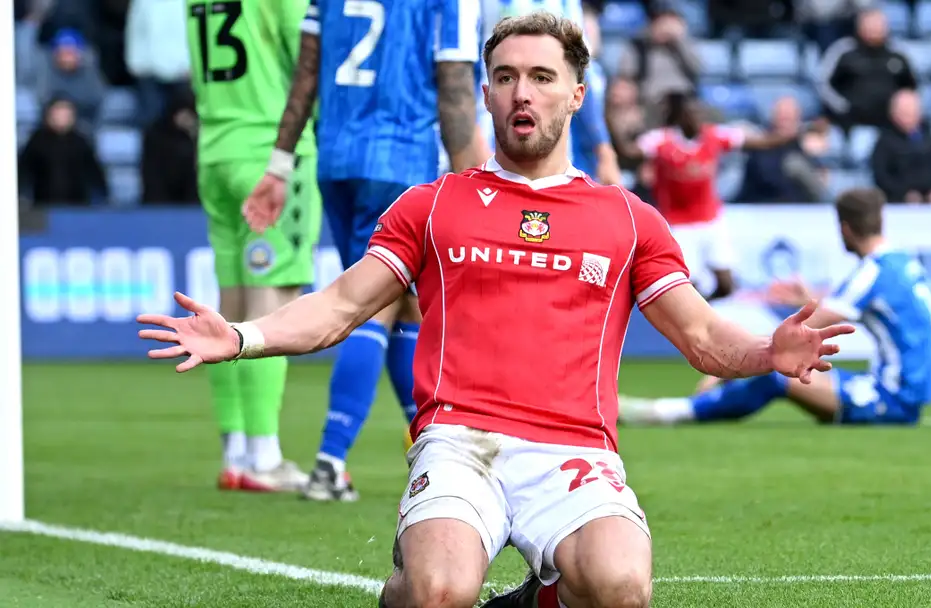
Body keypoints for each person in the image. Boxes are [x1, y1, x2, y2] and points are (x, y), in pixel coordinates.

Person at [138, 13, 854, 608]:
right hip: (460, 444)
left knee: (622, 585)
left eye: (543, 77)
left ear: (577, 94)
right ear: (484, 93)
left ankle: (533, 598)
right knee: (436, 591)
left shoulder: (628, 219)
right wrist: (239, 334)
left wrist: (767, 352)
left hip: (574, 450)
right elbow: (339, 308)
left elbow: (698, 334)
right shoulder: (434, 203)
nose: (524, 92)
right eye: (507, 76)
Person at [241, 0, 488, 501]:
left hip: (336, 158)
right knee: (374, 304)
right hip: (402, 160)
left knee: (405, 308)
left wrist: (280, 164)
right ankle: (330, 464)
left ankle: (433, 443)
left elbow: (305, 74)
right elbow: (457, 92)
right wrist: (479, 190)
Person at [619, 187, 931, 429]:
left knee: (778, 376)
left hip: (891, 397)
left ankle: (668, 412)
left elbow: (800, 331)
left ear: (844, 228)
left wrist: (728, 364)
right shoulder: (900, 263)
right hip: (906, 390)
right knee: (789, 371)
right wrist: (808, 299)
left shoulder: (873, 273)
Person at [184, 0, 322, 492]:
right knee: (271, 304)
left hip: (216, 150)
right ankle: (265, 456)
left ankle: (236, 450)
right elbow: (309, 57)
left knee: (230, 303)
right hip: (269, 151)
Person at [631, 92, 820, 300]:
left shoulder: (714, 135)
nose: (697, 118)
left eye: (700, 113)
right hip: (678, 224)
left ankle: (704, 309)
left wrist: (795, 133)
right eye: (691, 114)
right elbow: (629, 152)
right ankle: (693, 318)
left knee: (727, 284)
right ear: (680, 116)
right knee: (686, 285)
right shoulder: (660, 140)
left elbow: (762, 142)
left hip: (711, 220)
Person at [479, 0, 621, 185]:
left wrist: (604, 151)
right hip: (489, 141)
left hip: (553, 159)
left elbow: (581, 74)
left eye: (541, 78)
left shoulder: (566, 4)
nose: (522, 94)